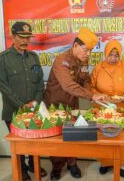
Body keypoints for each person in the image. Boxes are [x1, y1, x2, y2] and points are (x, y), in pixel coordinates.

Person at [44, 27, 107, 180]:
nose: (88, 54)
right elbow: (69, 86)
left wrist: (94, 93)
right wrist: (92, 96)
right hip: (55, 105)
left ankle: (72, 163)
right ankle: (57, 166)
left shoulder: (83, 61)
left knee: (72, 135)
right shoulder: (62, 61)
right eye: (86, 50)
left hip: (72, 105)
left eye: (90, 51)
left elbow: (84, 81)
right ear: (76, 46)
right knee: (58, 138)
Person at [0, 22, 46, 181]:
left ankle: (33, 164)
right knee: (18, 145)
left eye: (28, 37)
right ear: (13, 36)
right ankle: (22, 169)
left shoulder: (33, 57)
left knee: (33, 142)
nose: (25, 41)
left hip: (33, 109)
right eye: (21, 37)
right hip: (14, 111)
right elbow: (4, 87)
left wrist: (35, 102)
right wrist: (21, 105)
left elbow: (39, 82)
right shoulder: (2, 59)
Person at [90, 40, 124, 177]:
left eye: (116, 55)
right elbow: (91, 86)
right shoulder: (98, 68)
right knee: (103, 134)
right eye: (110, 55)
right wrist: (98, 95)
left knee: (121, 135)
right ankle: (104, 162)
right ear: (105, 54)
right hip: (102, 107)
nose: (113, 58)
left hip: (122, 107)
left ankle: (121, 162)